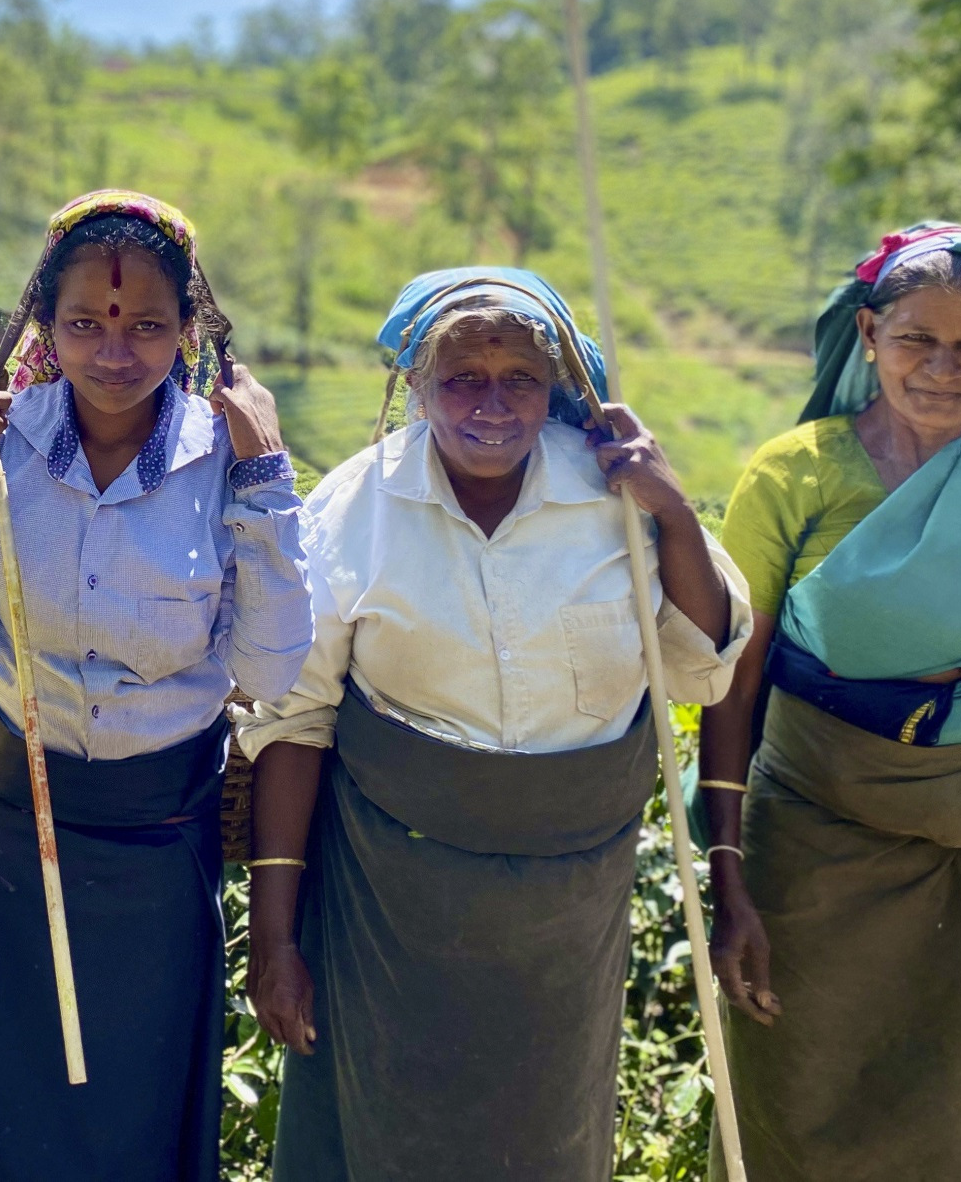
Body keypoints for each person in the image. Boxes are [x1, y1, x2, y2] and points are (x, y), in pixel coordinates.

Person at [241, 267, 752, 1182]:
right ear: (417, 387)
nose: (491, 405)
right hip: (392, 911)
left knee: (548, 1141)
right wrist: (275, 941)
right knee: (385, 1135)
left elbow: (701, 668)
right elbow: (295, 722)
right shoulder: (353, 514)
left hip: (566, 912)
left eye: (518, 378)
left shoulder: (621, 498)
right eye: (462, 380)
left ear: (551, 388)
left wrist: (672, 510)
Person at [0, 190, 312, 1182]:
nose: (113, 352)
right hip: (5, 821)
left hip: (157, 840)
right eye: (83, 324)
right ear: (43, 327)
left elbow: (269, 669)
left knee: (129, 1105)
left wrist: (267, 482)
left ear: (189, 330)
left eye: (147, 326)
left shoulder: (228, 462)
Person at [701, 223, 961, 1182]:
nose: (944, 369)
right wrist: (729, 870)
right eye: (918, 339)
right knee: (800, 1103)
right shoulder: (795, 474)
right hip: (813, 846)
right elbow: (733, 686)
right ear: (868, 335)